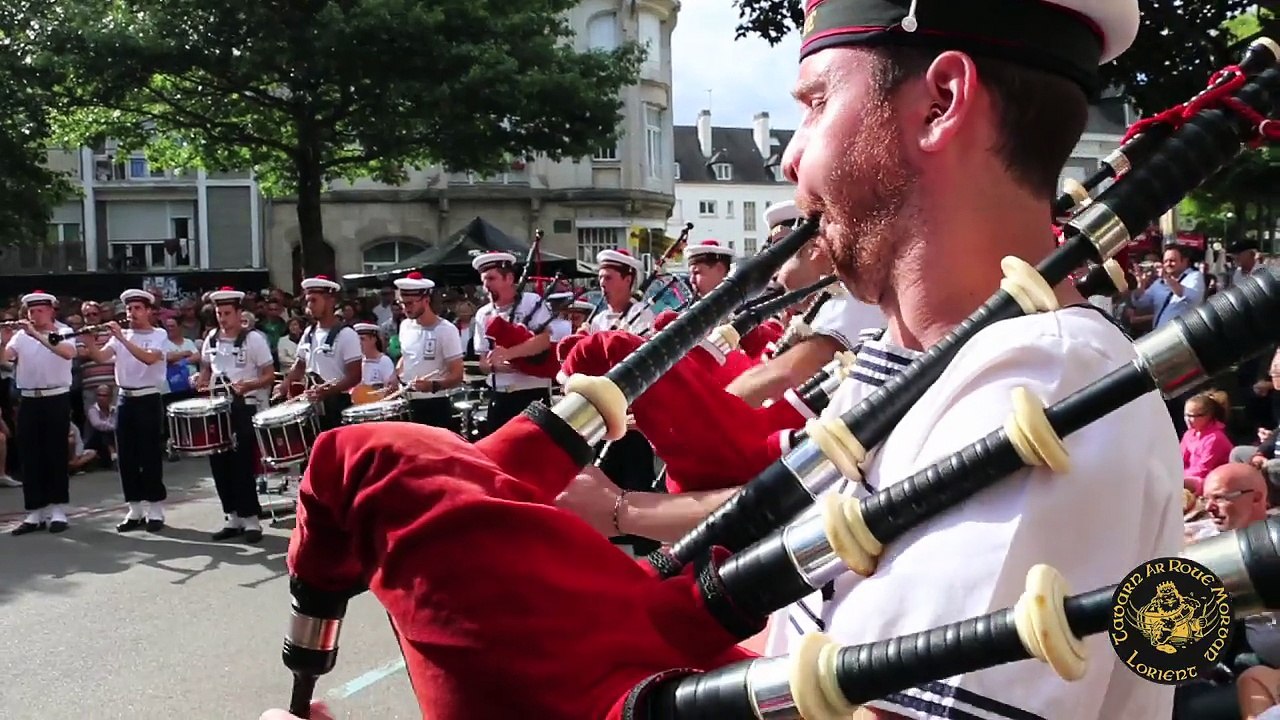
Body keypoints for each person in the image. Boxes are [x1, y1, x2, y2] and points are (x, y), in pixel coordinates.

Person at [759, 1, 1181, 718]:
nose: (791, 157)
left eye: (818, 103)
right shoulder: (919, 360)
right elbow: (792, 650)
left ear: (941, 103)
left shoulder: (1049, 380)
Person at [725, 200, 887, 407]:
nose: (773, 271)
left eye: (779, 254)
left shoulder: (854, 299)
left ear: (815, 248)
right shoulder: (831, 303)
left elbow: (781, 376)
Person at [82, 289, 170, 533]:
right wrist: (89, 342)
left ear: (149, 311)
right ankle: (134, 508)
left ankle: (155, 508)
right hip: (124, 399)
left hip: (148, 398)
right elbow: (101, 357)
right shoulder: (122, 335)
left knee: (149, 455)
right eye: (129, 309)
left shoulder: (158, 335)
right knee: (126, 456)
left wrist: (121, 338)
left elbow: (149, 359)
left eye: (138, 308)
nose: (132, 313)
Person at [196, 288, 275, 543]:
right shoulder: (211, 338)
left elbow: (269, 375)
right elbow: (206, 370)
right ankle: (232, 517)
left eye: (227, 313)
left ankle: (251, 520)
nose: (222, 318)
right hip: (216, 407)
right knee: (219, 464)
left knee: (241, 464)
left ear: (239, 313)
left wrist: (250, 385)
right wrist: (200, 380)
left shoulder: (253, 339)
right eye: (219, 313)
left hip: (243, 406)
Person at [3, 291, 78, 535]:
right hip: (28, 399)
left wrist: (35, 334)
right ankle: (35, 511)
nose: (34, 315)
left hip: (56, 397)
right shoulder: (20, 336)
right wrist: (4, 340)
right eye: (31, 311)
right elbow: (5, 360)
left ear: (51, 311)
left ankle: (58, 510)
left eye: (39, 311)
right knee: (30, 455)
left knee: (55, 453)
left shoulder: (64, 331)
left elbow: (68, 353)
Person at [470, 252, 554, 434]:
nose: (486, 286)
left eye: (491, 279)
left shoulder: (531, 302)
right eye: (484, 281)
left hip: (531, 394)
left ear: (509, 278)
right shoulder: (483, 314)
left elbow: (543, 341)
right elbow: (483, 362)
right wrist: (494, 366)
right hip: (500, 395)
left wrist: (510, 354)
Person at [277, 276, 362, 432]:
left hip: (337, 404)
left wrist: (327, 391)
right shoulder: (309, 332)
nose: (309, 306)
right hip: (313, 405)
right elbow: (300, 365)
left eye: (314, 300)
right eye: (308, 301)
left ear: (330, 301)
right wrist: (285, 384)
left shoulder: (346, 334)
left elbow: (355, 376)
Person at [394, 272, 465, 430]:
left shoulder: (446, 330)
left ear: (426, 300)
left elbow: (457, 375)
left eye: (410, 303)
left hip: (436, 404)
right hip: (408, 402)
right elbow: (407, 356)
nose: (405, 308)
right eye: (402, 303)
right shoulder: (405, 326)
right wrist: (396, 373)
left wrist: (433, 385)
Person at [588, 248, 655, 336]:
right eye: (600, 278)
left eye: (608, 278)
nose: (602, 283)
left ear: (628, 280)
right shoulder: (598, 320)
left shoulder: (640, 313)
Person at [1182, 390, 1234, 496]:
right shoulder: (1189, 434)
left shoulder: (1215, 438)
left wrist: (1179, 476)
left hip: (1214, 481)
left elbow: (1203, 470)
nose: (1188, 420)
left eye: (1194, 416)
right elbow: (1180, 458)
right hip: (1190, 476)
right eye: (1186, 415)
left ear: (1208, 416)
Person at [354, 323, 397, 390]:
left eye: (362, 339)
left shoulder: (384, 361)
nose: (359, 343)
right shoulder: (358, 361)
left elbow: (390, 388)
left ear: (373, 339)